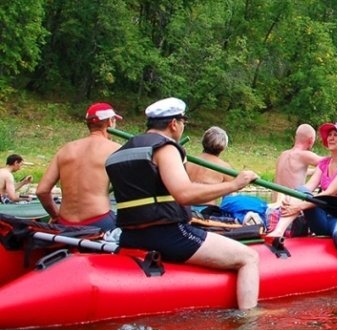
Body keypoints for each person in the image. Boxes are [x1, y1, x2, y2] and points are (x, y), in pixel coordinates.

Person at [104, 97, 260, 310]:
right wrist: (235, 184)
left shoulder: (118, 154)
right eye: (183, 121)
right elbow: (184, 194)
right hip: (169, 236)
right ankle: (249, 320)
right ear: (173, 124)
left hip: (129, 236)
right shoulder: (166, 148)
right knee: (249, 257)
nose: (182, 126)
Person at [267, 121, 337, 289]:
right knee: (302, 190)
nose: (331, 138)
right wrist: (293, 200)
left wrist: (300, 207)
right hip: (326, 219)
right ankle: (278, 231)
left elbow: (327, 195)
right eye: (330, 135)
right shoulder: (324, 163)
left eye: (336, 135)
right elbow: (308, 189)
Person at [35, 103, 122, 231]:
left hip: (64, 223)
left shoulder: (66, 149)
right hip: (99, 221)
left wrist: (55, 215)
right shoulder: (114, 149)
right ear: (110, 122)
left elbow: (41, 191)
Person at [187, 126, 235, 206]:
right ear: (224, 147)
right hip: (207, 211)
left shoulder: (187, 162)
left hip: (184, 209)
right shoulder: (225, 168)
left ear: (203, 142)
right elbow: (228, 200)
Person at [272, 124, 321, 202]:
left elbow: (294, 172)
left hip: (274, 207)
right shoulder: (304, 155)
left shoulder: (283, 155)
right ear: (311, 140)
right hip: (288, 207)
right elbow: (331, 163)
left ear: (295, 137)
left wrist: (313, 171)